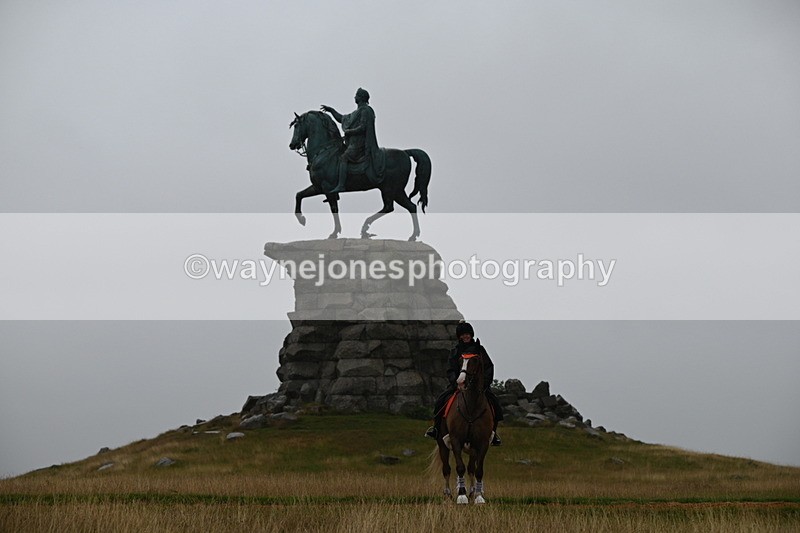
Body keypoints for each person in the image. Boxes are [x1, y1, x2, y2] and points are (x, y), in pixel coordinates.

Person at [425, 321, 504, 446]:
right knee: (441, 401)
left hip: (478, 386)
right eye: (463, 334)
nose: (465, 336)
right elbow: (450, 369)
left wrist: (485, 384)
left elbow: (489, 367)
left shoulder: (480, 350)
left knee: (495, 405)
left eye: (467, 334)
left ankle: (493, 434)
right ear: (459, 336)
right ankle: (435, 429)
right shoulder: (455, 351)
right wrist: (455, 382)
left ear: (471, 335)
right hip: (458, 384)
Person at [320, 87, 385, 193]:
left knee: (343, 158)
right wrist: (331, 110)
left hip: (360, 144)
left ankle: (341, 185)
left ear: (360, 98)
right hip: (353, 144)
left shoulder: (366, 110)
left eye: (356, 95)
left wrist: (350, 132)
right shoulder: (356, 112)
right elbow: (342, 119)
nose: (355, 97)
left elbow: (363, 127)